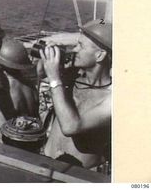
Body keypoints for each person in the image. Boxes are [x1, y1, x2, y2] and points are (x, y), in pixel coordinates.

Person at [39, 19, 112, 168]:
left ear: (100, 55)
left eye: (81, 46)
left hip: (79, 176)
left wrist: (55, 78)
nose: (74, 49)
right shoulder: (72, 78)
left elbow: (71, 126)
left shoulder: (112, 99)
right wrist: (50, 54)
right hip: (48, 164)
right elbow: (40, 73)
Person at [0, 39, 39, 137]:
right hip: (28, 138)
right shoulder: (31, 86)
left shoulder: (2, 94)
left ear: (0, 65)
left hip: (8, 145)